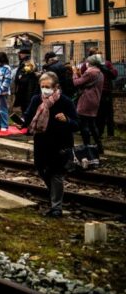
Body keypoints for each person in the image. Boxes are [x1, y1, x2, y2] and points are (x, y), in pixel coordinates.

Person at [22, 72, 78, 218]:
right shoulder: (36, 100)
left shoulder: (65, 102)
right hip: (41, 142)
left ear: (56, 87)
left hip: (60, 143)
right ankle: (54, 196)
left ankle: (56, 208)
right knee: (41, 169)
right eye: (42, 86)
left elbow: (77, 124)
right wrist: (23, 123)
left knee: (57, 173)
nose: (45, 89)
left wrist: (67, 120)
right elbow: (28, 117)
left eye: (48, 87)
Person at [81, 47, 118, 138]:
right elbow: (114, 74)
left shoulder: (87, 64)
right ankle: (102, 132)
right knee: (105, 113)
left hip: (93, 91)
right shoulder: (106, 63)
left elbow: (82, 77)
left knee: (94, 113)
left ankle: (96, 132)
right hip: (104, 91)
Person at [73, 54, 104, 153]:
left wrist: (74, 74)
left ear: (90, 63)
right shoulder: (100, 72)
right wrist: (80, 75)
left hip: (86, 99)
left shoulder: (90, 72)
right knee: (92, 124)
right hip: (95, 99)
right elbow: (86, 82)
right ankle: (99, 146)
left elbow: (76, 83)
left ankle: (87, 146)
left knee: (83, 125)